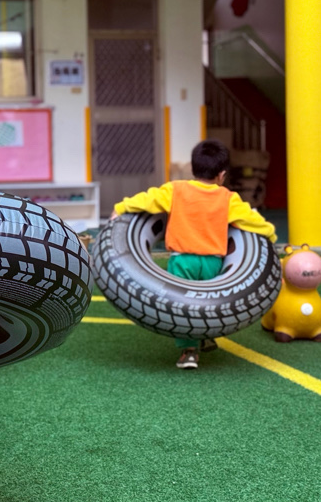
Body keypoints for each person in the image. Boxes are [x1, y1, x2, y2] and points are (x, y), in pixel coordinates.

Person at [111, 139, 276, 370]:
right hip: (213, 263)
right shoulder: (228, 198)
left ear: (192, 169)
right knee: (209, 303)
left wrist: (120, 208)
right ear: (222, 175)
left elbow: (146, 200)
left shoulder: (175, 190)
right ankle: (205, 336)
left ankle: (189, 351)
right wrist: (271, 236)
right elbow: (253, 221)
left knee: (183, 305)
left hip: (182, 260)